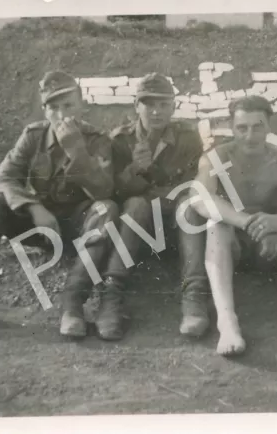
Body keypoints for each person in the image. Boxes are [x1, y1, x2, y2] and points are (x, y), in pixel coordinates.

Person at [0, 70, 118, 339]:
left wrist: (76, 150)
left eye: (69, 105)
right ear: (45, 111)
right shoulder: (34, 136)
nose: (62, 114)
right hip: (41, 225)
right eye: (53, 107)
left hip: (79, 227)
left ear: (82, 105)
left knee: (106, 209)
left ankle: (72, 304)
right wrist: (33, 208)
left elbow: (104, 190)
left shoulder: (97, 139)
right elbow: (4, 177)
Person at [192, 95, 277, 356]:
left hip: (268, 250)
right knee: (216, 224)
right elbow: (200, 199)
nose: (250, 136)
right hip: (231, 247)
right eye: (242, 128)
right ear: (232, 128)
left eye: (257, 127)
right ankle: (227, 322)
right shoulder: (216, 158)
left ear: (269, 126)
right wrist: (247, 223)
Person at [98, 72, 210, 341]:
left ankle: (194, 295)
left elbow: (191, 183)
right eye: (149, 104)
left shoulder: (187, 136)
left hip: (176, 228)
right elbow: (112, 194)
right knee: (135, 204)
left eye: (163, 105)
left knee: (190, 205)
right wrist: (134, 171)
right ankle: (111, 295)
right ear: (137, 106)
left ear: (173, 107)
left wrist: (159, 188)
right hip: (136, 229)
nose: (157, 112)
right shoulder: (121, 140)